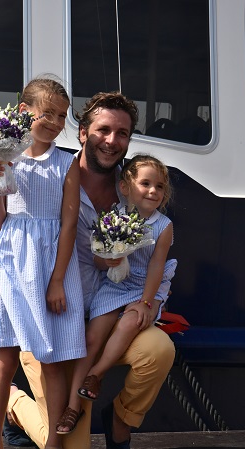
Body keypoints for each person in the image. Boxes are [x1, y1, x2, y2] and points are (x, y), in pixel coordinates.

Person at [0, 91, 176, 449]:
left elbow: (156, 259)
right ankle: (17, 408)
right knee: (71, 445)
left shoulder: (137, 187)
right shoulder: (52, 171)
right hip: (52, 320)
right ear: (83, 133)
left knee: (159, 350)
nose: (112, 141)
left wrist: (148, 303)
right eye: (103, 130)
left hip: (108, 322)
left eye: (122, 134)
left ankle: (119, 421)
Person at [0, 76, 86, 449]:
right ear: (24, 112)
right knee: (4, 357)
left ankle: (55, 443)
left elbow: (69, 223)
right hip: (13, 264)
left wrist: (58, 280)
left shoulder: (66, 163)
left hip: (50, 265)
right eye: (50, 114)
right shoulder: (7, 156)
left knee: (53, 359)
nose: (58, 124)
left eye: (63, 117)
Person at [56, 154, 174, 434]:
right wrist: (107, 260)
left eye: (159, 187)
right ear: (125, 187)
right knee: (91, 338)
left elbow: (157, 266)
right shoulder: (113, 218)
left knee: (129, 323)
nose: (153, 191)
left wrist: (146, 303)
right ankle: (73, 405)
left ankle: (96, 375)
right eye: (145, 183)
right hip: (114, 285)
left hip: (144, 287)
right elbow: (98, 257)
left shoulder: (163, 226)